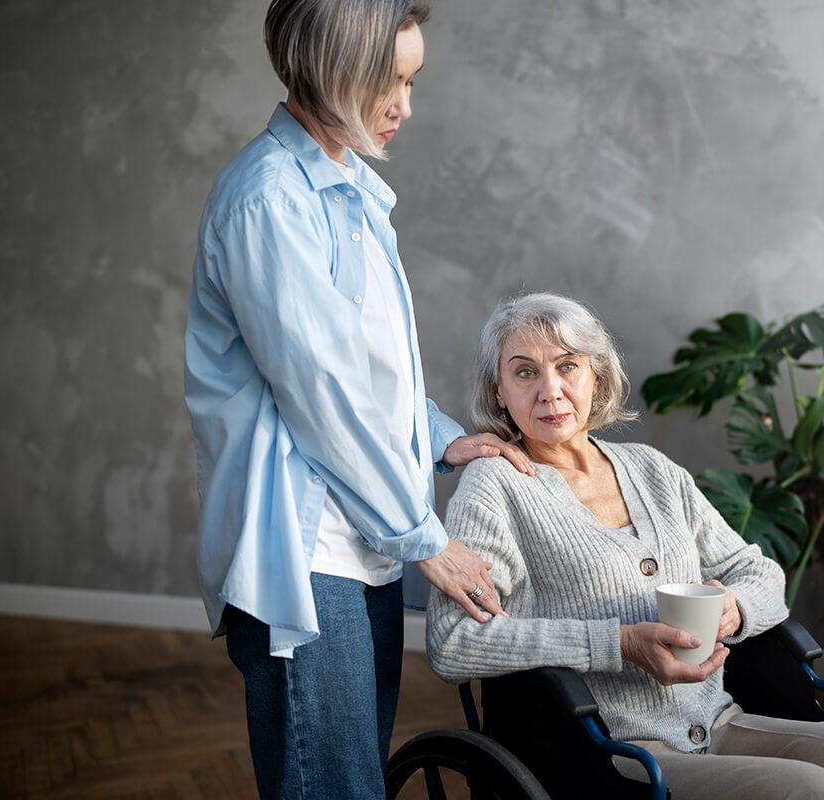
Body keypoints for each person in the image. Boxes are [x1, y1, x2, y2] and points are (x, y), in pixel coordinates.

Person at [183, 2, 533, 798]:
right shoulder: (270, 200)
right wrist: (426, 537)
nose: (406, 105)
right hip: (308, 552)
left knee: (352, 780)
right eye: (393, 81)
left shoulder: (347, 187)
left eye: (412, 81)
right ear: (336, 69)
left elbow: (373, 371)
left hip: (361, 538)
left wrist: (442, 439)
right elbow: (324, 398)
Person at [427, 292, 824, 799]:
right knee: (813, 792)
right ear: (499, 392)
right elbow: (455, 641)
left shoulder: (652, 469)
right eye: (525, 372)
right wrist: (618, 642)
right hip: (610, 750)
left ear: (596, 376)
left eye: (567, 366)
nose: (550, 391)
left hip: (720, 722)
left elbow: (759, 572)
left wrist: (734, 608)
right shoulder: (494, 485)